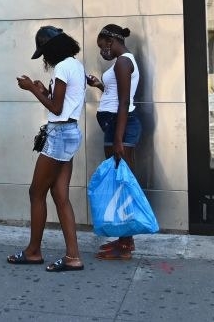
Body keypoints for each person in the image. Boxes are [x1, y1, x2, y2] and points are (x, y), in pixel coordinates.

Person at [8, 26, 85, 271]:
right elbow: (63, 102)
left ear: (52, 48)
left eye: (44, 52)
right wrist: (44, 90)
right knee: (60, 195)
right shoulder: (76, 65)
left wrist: (32, 89)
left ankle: (33, 251)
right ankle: (73, 256)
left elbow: (57, 109)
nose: (44, 58)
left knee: (36, 192)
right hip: (71, 133)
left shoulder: (62, 67)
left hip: (60, 134)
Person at [87, 24, 142, 260]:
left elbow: (123, 102)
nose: (102, 52)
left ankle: (126, 243)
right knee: (118, 182)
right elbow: (115, 93)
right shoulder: (121, 62)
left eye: (102, 46)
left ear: (110, 41)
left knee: (122, 185)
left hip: (121, 127)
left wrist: (118, 139)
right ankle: (123, 240)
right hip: (115, 126)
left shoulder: (122, 62)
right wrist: (99, 85)